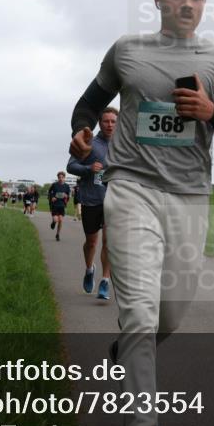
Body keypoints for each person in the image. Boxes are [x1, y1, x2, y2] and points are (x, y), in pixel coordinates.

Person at [68, 0, 214, 426]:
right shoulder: (127, 50)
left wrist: (211, 111)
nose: (187, 3)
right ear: (158, 0)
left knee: (167, 318)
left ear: (205, 4)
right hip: (130, 190)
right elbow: (88, 103)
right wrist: (83, 130)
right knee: (140, 315)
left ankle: (126, 350)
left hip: (190, 198)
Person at [68, 106, 118, 300]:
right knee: (91, 242)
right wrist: (89, 168)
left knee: (109, 242)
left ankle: (105, 281)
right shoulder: (89, 142)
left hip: (113, 201)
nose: (110, 125)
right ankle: (90, 269)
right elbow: (71, 165)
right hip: (91, 199)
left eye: (113, 121)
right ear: (100, 122)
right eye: (106, 121)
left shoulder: (123, 145)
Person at [48, 172, 72, 241]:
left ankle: (58, 234)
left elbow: (68, 195)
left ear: (64, 178)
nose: (61, 179)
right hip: (55, 205)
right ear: (58, 178)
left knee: (61, 220)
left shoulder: (67, 186)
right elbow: (50, 192)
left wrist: (66, 196)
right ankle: (53, 222)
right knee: (56, 219)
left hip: (62, 205)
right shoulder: (54, 185)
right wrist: (52, 197)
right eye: (59, 177)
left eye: (62, 177)